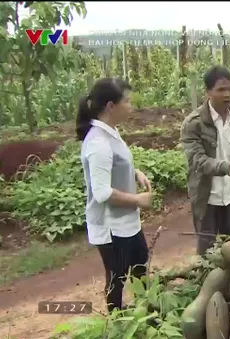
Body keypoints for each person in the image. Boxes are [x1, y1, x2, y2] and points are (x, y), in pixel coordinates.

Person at [77, 77, 154, 313]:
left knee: (140, 266)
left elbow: (116, 164)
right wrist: (139, 200)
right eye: (127, 101)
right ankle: (117, 322)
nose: (131, 106)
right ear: (111, 106)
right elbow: (102, 192)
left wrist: (135, 173)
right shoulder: (98, 142)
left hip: (127, 220)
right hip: (112, 227)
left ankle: (145, 312)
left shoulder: (111, 131)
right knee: (117, 278)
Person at [181, 65, 230, 256]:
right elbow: (197, 159)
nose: (227, 94)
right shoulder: (193, 123)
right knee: (207, 251)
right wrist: (225, 167)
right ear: (208, 92)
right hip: (208, 197)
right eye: (221, 89)